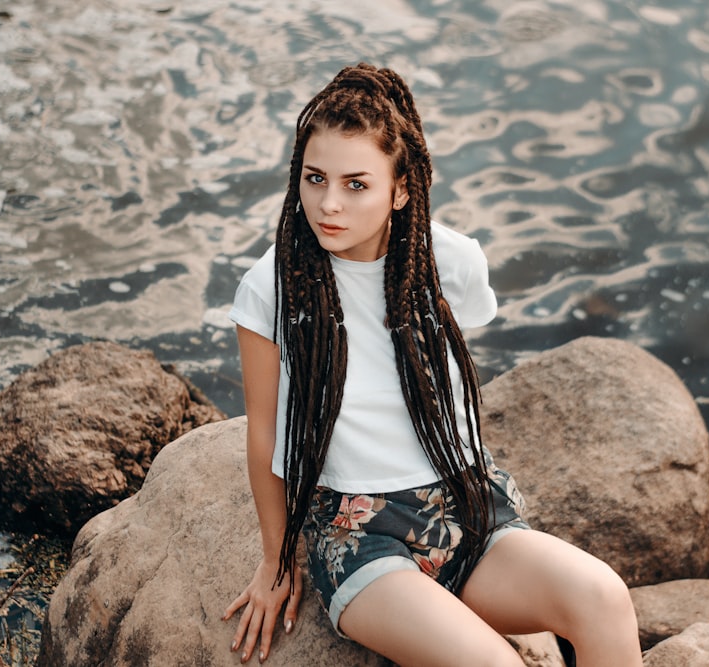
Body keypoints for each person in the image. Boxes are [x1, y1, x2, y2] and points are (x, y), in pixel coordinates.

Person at [223, 62, 643, 667]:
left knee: (604, 598)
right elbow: (263, 431)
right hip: (359, 533)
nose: (328, 203)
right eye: (314, 179)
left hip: (467, 507)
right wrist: (274, 557)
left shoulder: (449, 260)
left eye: (356, 183)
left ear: (400, 189)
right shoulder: (271, 287)